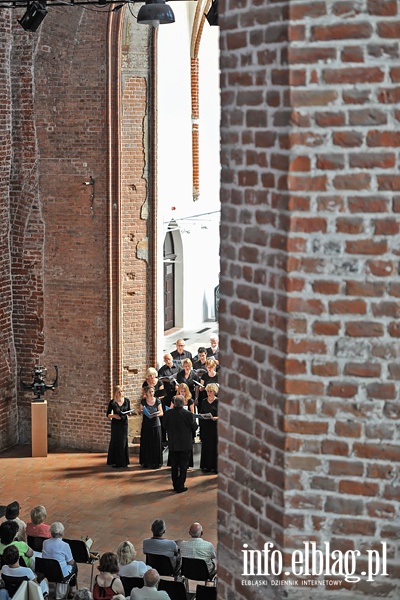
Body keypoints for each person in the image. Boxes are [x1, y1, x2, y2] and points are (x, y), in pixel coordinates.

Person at [163, 396, 197, 493]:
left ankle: (175, 485)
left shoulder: (167, 413)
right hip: (185, 444)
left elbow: (165, 426)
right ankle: (181, 485)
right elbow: (194, 427)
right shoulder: (188, 414)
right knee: (183, 466)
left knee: (174, 465)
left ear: (174, 403)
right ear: (184, 403)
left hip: (173, 443)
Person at [42, 522, 77, 592]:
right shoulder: (65, 545)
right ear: (62, 533)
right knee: (74, 565)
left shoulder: (45, 542)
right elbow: (70, 561)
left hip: (47, 571)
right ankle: (72, 589)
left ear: (51, 532)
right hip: (61, 574)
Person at [106, 385, 132, 469]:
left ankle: (124, 462)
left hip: (124, 423)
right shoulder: (112, 402)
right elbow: (108, 414)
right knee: (116, 441)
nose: (121, 393)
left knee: (123, 441)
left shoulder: (127, 401)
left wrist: (130, 413)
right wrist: (114, 416)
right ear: (116, 393)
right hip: (116, 424)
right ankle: (116, 461)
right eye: (119, 392)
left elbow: (128, 410)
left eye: (122, 391)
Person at [139, 387, 163, 469]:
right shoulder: (143, 401)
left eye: (153, 391)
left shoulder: (157, 401)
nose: (152, 393)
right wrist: (143, 411)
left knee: (156, 443)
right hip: (146, 424)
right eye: (150, 392)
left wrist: (156, 414)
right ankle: (146, 461)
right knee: (146, 443)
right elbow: (140, 411)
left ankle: (156, 462)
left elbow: (161, 412)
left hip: (156, 424)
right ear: (147, 393)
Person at [199, 383, 219, 474]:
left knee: (215, 447)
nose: (209, 393)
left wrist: (216, 417)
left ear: (214, 392)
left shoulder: (218, 402)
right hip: (206, 426)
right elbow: (201, 413)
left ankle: (215, 467)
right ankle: (206, 466)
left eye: (211, 391)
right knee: (206, 446)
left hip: (215, 427)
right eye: (207, 391)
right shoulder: (204, 401)